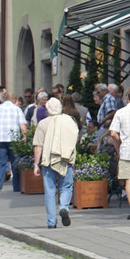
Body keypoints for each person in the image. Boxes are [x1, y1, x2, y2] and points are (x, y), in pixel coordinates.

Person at [32, 97, 79, 229]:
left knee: (50, 191)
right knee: (66, 187)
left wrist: (36, 164)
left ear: (47, 110)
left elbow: (38, 145)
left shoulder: (43, 123)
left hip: (48, 160)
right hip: (65, 158)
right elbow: (74, 139)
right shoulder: (69, 121)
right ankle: (64, 207)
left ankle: (51, 221)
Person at [0, 91, 25, 192]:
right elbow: (22, 125)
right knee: (15, 163)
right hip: (13, 139)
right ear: (14, 100)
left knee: (0, 162)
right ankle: (16, 187)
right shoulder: (17, 109)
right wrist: (25, 136)